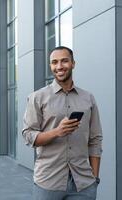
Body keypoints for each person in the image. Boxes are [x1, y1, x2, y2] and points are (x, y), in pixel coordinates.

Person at [22, 46, 103, 200]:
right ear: (50, 66)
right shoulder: (37, 97)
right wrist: (56, 132)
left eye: (64, 61)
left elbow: (95, 140)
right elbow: (28, 135)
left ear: (73, 63)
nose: (59, 66)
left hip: (83, 184)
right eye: (54, 62)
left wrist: (95, 178)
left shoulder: (88, 98)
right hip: (48, 182)